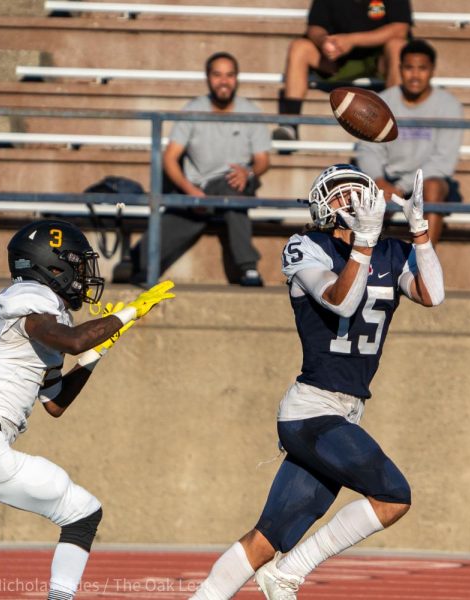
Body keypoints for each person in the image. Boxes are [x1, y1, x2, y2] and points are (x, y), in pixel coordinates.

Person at [190, 164, 444, 600]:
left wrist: (420, 232)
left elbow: (432, 294)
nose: (352, 203)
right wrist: (363, 244)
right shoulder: (306, 245)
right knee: (393, 496)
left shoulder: (390, 251)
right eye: (342, 195)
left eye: (357, 194)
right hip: (311, 411)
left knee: (265, 538)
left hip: (343, 412)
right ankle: (290, 574)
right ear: (323, 205)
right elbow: (342, 303)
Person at [0, 219, 175, 600]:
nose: (84, 276)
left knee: (83, 513)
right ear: (53, 266)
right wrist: (127, 314)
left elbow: (55, 402)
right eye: (78, 265)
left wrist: (99, 350)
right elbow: (72, 341)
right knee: (82, 513)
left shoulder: (45, 318)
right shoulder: (31, 296)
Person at [127, 51, 271, 287]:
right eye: (217, 75)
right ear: (207, 78)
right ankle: (138, 263)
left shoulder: (251, 111)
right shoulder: (193, 109)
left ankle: (248, 267)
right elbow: (170, 158)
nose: (224, 81)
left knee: (233, 189)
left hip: (237, 183)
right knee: (141, 260)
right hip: (198, 191)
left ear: (237, 78)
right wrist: (190, 191)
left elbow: (263, 160)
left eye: (229, 75)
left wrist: (249, 172)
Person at [355, 39, 463, 245]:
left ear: (432, 70)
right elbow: (368, 148)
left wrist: (403, 188)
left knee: (433, 187)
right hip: (387, 180)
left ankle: (424, 266)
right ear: (400, 69)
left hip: (426, 181)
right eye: (409, 68)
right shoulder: (383, 101)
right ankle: (366, 264)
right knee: (358, 193)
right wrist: (378, 180)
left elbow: (442, 162)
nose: (415, 75)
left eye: (422, 68)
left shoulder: (449, 105)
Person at [274, 0, 412, 142]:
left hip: (380, 60)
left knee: (398, 47)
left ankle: (395, 124)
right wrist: (324, 42)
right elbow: (315, 27)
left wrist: (351, 40)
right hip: (338, 58)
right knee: (299, 47)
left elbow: (400, 29)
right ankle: (290, 124)